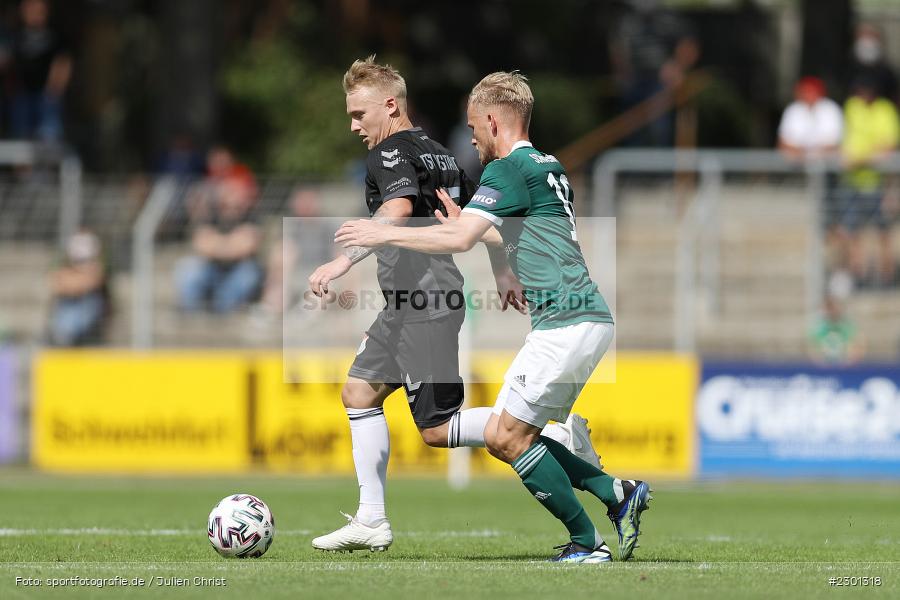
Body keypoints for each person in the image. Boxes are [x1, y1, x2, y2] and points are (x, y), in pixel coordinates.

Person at [336, 71, 651, 563]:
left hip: (566, 321)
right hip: (586, 318)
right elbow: (499, 229)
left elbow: (458, 240)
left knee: (508, 438)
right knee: (511, 434)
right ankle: (614, 493)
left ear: (490, 121)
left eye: (473, 128)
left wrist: (384, 235)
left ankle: (587, 542)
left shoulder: (504, 170)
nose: (471, 139)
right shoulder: (548, 165)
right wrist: (490, 256)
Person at [835, 76, 899, 287]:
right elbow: (846, 141)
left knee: (883, 231)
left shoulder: (885, 110)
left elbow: (888, 146)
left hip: (877, 182)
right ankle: (858, 274)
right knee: (851, 230)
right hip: (853, 180)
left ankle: (886, 276)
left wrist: (860, 159)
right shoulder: (852, 107)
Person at [174, 170, 263, 313]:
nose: (233, 197)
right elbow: (201, 245)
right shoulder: (209, 215)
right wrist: (232, 243)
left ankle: (223, 315)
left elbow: (246, 246)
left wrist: (216, 243)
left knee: (248, 274)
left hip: (238, 269)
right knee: (187, 268)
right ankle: (192, 315)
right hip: (210, 268)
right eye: (230, 191)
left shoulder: (252, 217)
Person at [8, 0, 70, 142]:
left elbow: (63, 62)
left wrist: (55, 89)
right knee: (21, 139)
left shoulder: (55, 36)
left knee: (49, 137)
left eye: (39, 10)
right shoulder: (16, 36)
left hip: (47, 96)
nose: (34, 15)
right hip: (22, 95)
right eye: (30, 10)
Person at [48, 229, 109, 346]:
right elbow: (58, 284)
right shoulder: (62, 264)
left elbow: (92, 281)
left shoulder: (99, 266)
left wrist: (76, 282)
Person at [777, 77, 843, 161]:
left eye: (811, 91)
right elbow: (783, 143)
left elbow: (835, 144)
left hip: (827, 164)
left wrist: (811, 156)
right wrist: (804, 156)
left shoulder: (831, 108)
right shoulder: (793, 109)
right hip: (796, 165)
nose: (808, 95)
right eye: (805, 91)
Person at [808, 295, 864, 365]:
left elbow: (857, 346)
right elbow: (813, 348)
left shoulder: (847, 326)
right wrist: (821, 363)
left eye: (834, 308)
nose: (832, 311)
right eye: (829, 308)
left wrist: (848, 362)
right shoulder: (819, 327)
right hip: (824, 366)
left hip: (844, 366)